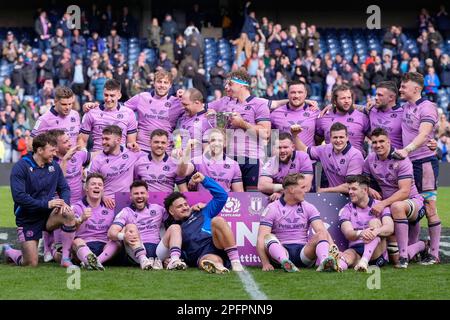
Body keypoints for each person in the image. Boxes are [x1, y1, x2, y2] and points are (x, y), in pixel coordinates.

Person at [4, 133, 74, 267]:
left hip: (48, 216)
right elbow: (19, 197)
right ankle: (9, 251)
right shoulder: (21, 167)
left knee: (69, 214)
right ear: (40, 150)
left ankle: (65, 258)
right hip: (28, 217)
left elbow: (64, 188)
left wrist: (65, 202)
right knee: (31, 263)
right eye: (52, 150)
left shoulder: (54, 166)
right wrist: (46, 204)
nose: (55, 153)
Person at [392, 72, 441, 265]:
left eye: (404, 86)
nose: (401, 89)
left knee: (429, 207)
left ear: (416, 88)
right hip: (408, 164)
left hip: (425, 163)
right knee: (412, 208)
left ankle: (434, 254)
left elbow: (424, 134)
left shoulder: (427, 107)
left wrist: (407, 149)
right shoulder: (404, 107)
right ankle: (415, 248)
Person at [363, 128, 429, 268]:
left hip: (412, 202)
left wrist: (382, 204)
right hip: (390, 207)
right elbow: (363, 182)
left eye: (382, 141)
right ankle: (422, 245)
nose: (378, 145)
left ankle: (404, 258)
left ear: (389, 142)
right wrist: (369, 189)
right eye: (374, 142)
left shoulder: (401, 158)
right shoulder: (370, 159)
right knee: (394, 258)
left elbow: (404, 192)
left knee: (397, 206)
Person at [83, 70, 184, 153]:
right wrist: (95, 106)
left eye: (165, 82)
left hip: (165, 150)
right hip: (141, 150)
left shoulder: (177, 103)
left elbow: (195, 112)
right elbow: (118, 108)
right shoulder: (141, 97)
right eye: (159, 81)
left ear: (170, 85)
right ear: (154, 83)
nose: (162, 85)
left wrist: (185, 94)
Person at [257, 173, 339, 272]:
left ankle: (325, 262)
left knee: (321, 233)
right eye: (303, 187)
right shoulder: (273, 208)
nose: (306, 191)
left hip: (304, 253)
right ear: (291, 190)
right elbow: (261, 239)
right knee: (268, 237)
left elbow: (322, 231)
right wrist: (265, 263)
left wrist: (335, 254)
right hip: (281, 252)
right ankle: (285, 262)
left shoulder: (308, 207)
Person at [163, 172, 244, 273]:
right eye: (179, 206)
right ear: (171, 211)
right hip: (201, 255)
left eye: (185, 204)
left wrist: (204, 180)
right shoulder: (174, 228)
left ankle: (235, 261)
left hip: (216, 243)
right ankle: (219, 267)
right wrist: (169, 259)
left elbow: (222, 196)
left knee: (218, 220)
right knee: (212, 261)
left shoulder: (202, 211)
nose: (185, 207)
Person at [108, 180, 187, 270]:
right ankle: (144, 260)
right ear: (130, 196)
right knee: (131, 226)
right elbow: (111, 233)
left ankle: (174, 261)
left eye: (142, 193)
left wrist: (191, 209)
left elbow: (176, 216)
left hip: (158, 251)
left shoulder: (158, 209)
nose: (140, 196)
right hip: (137, 251)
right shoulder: (126, 211)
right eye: (136, 194)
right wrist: (124, 236)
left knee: (175, 227)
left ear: (147, 195)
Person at [337, 175, 394, 272]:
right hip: (356, 249)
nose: (350, 192)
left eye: (354, 189)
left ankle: (365, 260)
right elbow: (348, 233)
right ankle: (337, 266)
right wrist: (361, 233)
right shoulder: (347, 209)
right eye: (349, 189)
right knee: (348, 255)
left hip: (376, 252)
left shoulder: (380, 205)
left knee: (374, 222)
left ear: (365, 190)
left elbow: (390, 228)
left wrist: (375, 231)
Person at [293, 122, 364, 193]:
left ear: (347, 138)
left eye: (341, 137)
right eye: (335, 137)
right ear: (330, 138)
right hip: (332, 197)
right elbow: (304, 150)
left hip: (351, 197)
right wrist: (295, 135)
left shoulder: (355, 155)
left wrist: (324, 190)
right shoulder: (325, 149)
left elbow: (351, 186)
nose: (338, 140)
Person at [71, 173, 119, 270]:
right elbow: (70, 230)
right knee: (76, 241)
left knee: (116, 242)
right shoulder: (77, 207)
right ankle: (90, 259)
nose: (97, 186)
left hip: (104, 245)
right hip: (85, 243)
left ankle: (96, 262)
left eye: (100, 185)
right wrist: (81, 219)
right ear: (86, 188)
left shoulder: (111, 206)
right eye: (93, 184)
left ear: (103, 189)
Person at [88, 125, 141, 208]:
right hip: (107, 203)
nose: (103, 142)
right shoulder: (97, 160)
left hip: (128, 201)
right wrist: (102, 196)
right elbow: (88, 185)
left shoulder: (132, 153)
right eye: (102, 139)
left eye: (107, 139)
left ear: (118, 140)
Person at [78, 79, 139, 152]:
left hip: (119, 159)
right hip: (98, 158)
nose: (108, 99)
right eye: (106, 95)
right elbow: (82, 139)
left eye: (112, 95)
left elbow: (131, 142)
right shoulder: (92, 112)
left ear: (119, 95)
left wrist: (132, 146)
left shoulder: (129, 113)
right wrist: (85, 156)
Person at [316, 84, 370, 155]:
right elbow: (317, 142)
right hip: (331, 164)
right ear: (335, 101)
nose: (347, 101)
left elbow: (376, 139)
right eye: (343, 98)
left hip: (356, 164)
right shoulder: (324, 117)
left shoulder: (362, 117)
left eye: (349, 98)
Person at [258, 132, 313, 200]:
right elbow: (262, 185)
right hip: (278, 201)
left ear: (293, 147)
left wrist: (282, 193)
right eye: (279, 147)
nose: (282, 150)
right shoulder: (271, 162)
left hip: (303, 199)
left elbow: (306, 187)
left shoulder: (303, 157)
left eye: (285, 147)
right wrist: (284, 190)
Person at [270, 81, 320, 147]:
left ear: (305, 94)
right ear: (288, 94)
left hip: (307, 157)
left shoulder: (315, 112)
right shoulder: (275, 114)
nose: (296, 95)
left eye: (300, 92)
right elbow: (269, 138)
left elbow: (321, 136)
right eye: (293, 92)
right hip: (284, 156)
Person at [366, 81, 404, 149]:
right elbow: (355, 107)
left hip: (395, 158)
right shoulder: (372, 109)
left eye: (380, 95)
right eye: (376, 94)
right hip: (375, 157)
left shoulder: (403, 114)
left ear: (391, 97)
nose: (376, 98)